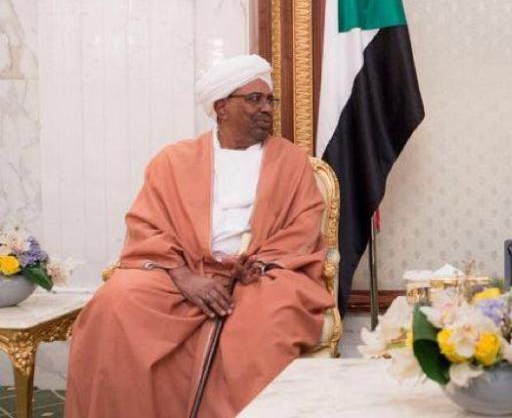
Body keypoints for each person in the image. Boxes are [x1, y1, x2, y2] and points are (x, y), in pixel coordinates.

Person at [65, 55, 330, 418]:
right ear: (221, 107)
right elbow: (146, 226)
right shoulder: (173, 161)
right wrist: (184, 276)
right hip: (184, 268)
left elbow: (303, 226)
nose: (266, 108)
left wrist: (258, 264)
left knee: (267, 325)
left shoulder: (290, 160)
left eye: (270, 100)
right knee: (114, 303)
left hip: (260, 274)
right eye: (254, 99)